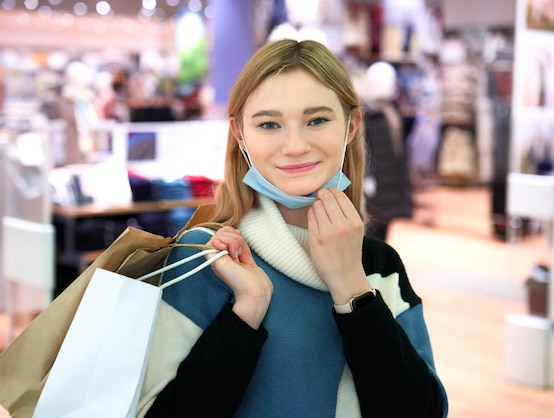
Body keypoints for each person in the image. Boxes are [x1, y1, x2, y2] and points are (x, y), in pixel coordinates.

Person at [136, 39, 448, 418]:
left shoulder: (379, 264)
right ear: (239, 134)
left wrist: (352, 287)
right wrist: (245, 313)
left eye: (317, 120)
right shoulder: (207, 258)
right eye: (269, 124)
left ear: (352, 126)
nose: (295, 145)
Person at [360, 61, 414, 241]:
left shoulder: (391, 113)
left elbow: (398, 155)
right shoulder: (362, 115)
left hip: (389, 186)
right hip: (372, 186)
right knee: (372, 230)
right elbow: (362, 150)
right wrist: (365, 178)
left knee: (383, 231)